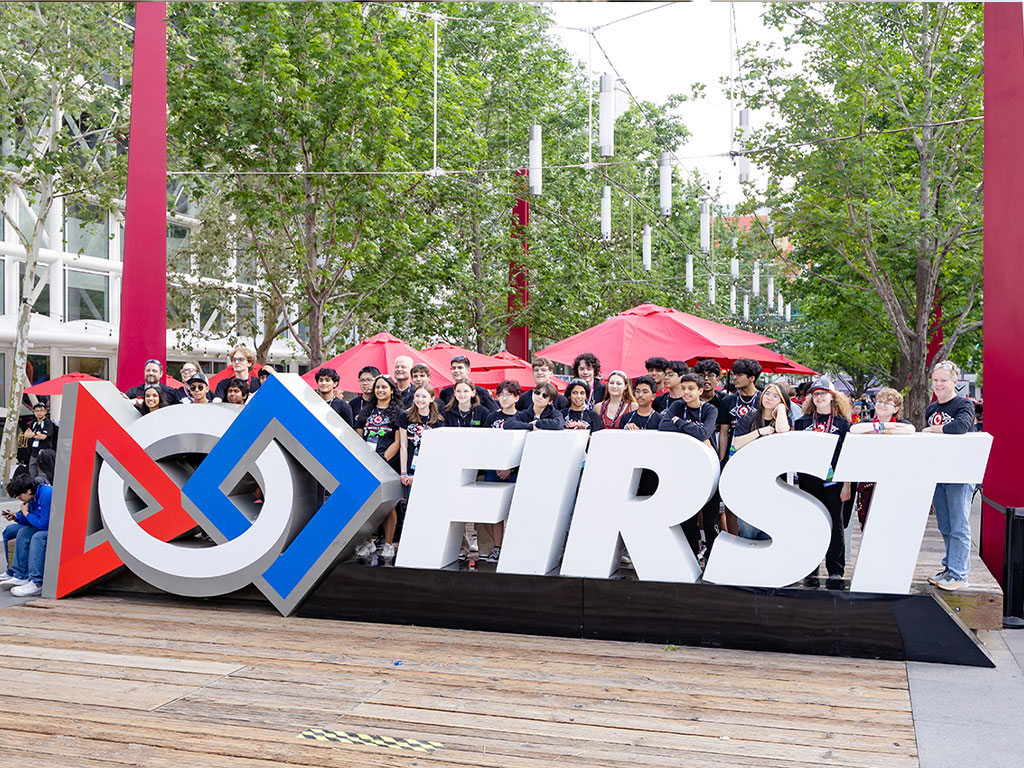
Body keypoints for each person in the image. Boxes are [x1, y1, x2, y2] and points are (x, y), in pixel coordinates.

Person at [922, 360, 977, 590]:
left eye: (944, 380)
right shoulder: (931, 409)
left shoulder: (964, 405)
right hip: (939, 473)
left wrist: (933, 429)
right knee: (944, 525)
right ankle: (949, 567)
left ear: (955, 381)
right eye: (935, 380)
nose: (939, 384)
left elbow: (960, 427)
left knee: (959, 525)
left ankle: (959, 573)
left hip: (960, 473)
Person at [795, 376, 853, 589]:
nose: (819, 397)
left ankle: (836, 570)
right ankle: (810, 569)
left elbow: (849, 455)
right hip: (809, 478)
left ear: (832, 397)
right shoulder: (802, 422)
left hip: (834, 480)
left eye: (823, 394)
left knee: (835, 523)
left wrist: (847, 484)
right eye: (815, 394)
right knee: (811, 522)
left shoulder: (842, 423)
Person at [658, 373, 719, 556]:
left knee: (709, 520)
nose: (686, 392)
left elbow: (704, 432)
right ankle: (691, 557)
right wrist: (692, 429)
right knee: (687, 518)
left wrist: (679, 422)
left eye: (691, 389)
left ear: (700, 390)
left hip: (708, 469)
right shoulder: (677, 405)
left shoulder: (710, 410)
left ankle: (712, 559)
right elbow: (663, 427)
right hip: (684, 469)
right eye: (683, 388)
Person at [730, 382, 794, 541]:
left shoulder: (783, 419)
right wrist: (760, 432)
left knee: (772, 526)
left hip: (776, 479)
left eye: (775, 396)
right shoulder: (749, 417)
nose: (769, 398)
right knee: (747, 526)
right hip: (751, 478)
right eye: (767, 393)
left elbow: (782, 430)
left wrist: (780, 410)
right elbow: (737, 443)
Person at [849, 387, 915, 529]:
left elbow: (910, 430)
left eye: (887, 403)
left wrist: (883, 428)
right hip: (869, 480)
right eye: (879, 401)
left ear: (896, 408)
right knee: (866, 523)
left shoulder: (903, 423)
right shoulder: (865, 423)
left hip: (893, 480)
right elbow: (853, 429)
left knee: (891, 524)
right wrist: (883, 426)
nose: (881, 405)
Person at [354, 375, 403, 563]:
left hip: (387, 464)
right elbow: (358, 438)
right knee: (366, 504)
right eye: (377, 387)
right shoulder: (366, 412)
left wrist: (382, 460)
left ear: (392, 390)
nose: (380, 390)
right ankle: (368, 541)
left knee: (388, 505)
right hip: (366, 465)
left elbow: (398, 442)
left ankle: (389, 544)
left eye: (384, 387)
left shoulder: (399, 412)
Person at [717, 358, 762, 536]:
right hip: (733, 456)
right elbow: (723, 432)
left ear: (752, 378)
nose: (734, 378)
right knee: (730, 501)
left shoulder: (763, 398)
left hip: (757, 459)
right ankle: (735, 540)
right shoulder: (728, 401)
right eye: (734, 374)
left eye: (739, 375)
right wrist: (722, 459)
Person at [1, 474, 52, 598]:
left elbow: (43, 524)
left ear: (28, 490)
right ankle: (15, 573)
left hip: (55, 527)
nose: (19, 498)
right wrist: (17, 517)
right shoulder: (33, 496)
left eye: (19, 495)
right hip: (42, 524)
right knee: (9, 531)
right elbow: (32, 519)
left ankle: (36, 581)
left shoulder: (46, 495)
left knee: (36, 536)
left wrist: (25, 512)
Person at [397, 384, 445, 491]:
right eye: (417, 396)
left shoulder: (438, 421)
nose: (420, 399)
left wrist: (420, 475)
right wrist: (403, 472)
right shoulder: (405, 416)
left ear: (432, 399)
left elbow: (437, 451)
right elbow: (403, 446)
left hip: (429, 471)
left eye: (424, 396)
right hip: (410, 469)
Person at [22, 401, 56, 480]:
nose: (39, 413)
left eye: (41, 410)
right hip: (33, 452)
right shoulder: (33, 423)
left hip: (44, 452)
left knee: (42, 475)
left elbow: (43, 436)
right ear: (34, 412)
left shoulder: (48, 423)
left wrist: (32, 434)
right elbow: (26, 435)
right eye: (37, 411)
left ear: (45, 412)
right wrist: (35, 433)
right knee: (32, 473)